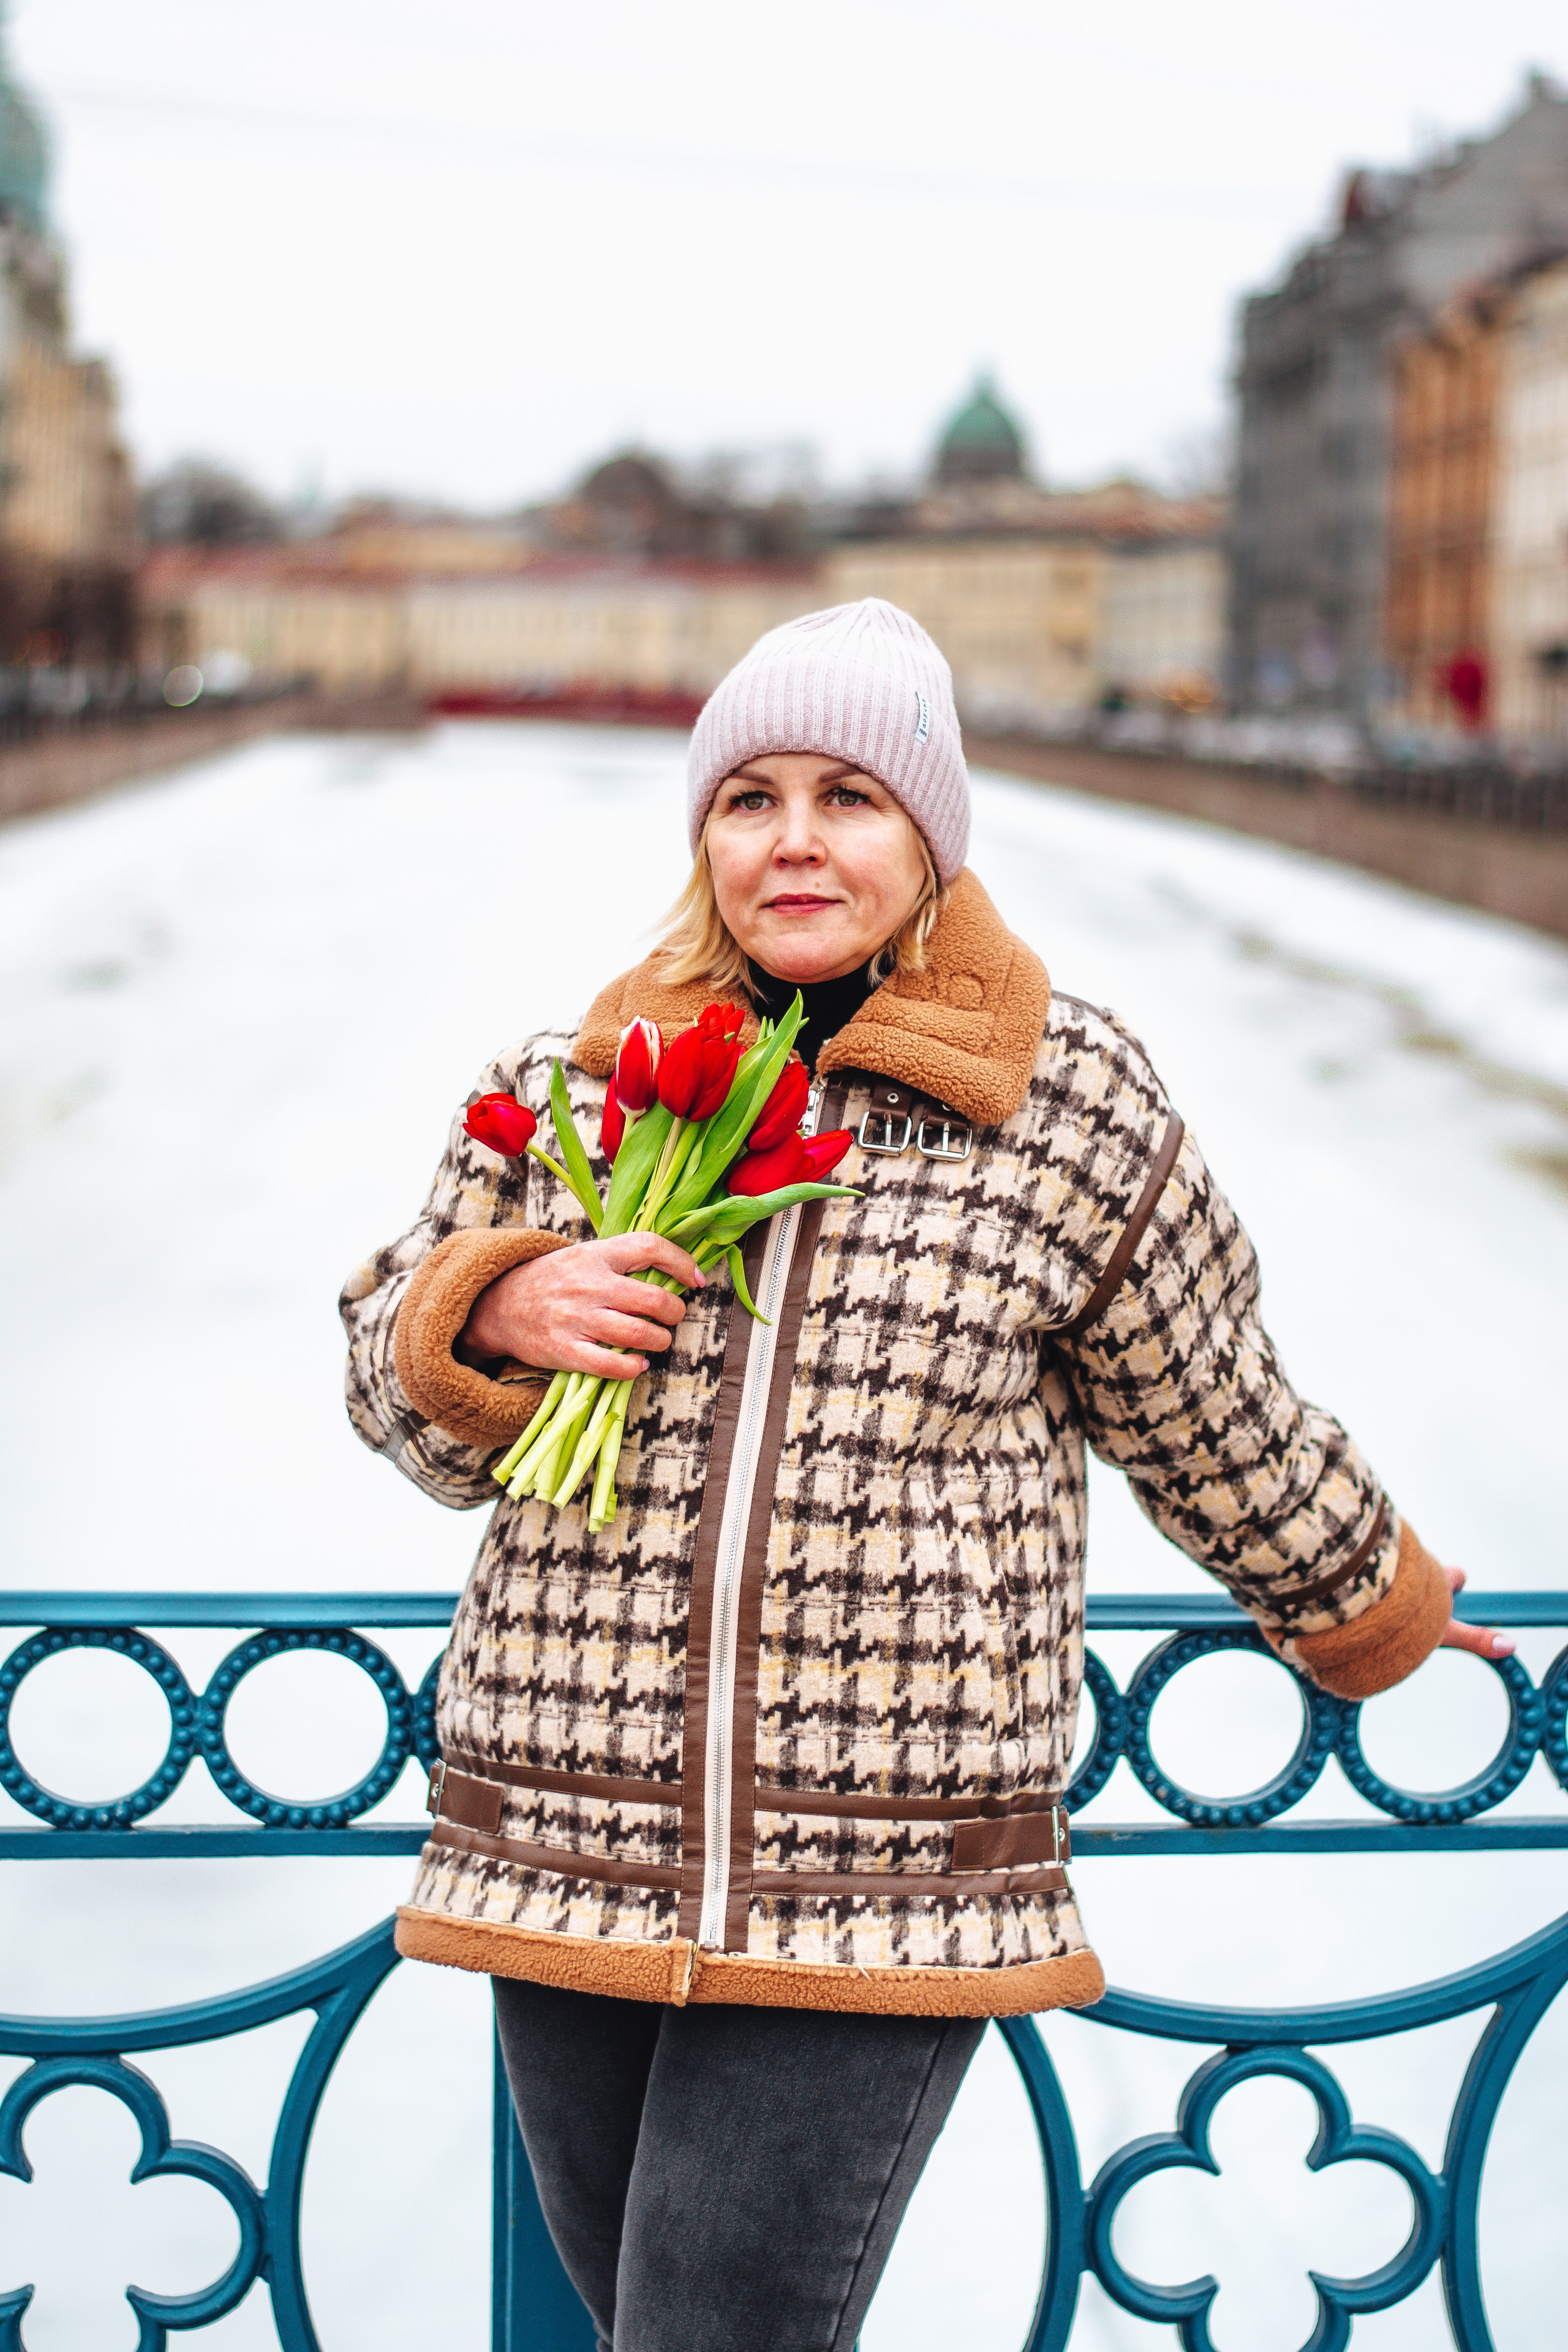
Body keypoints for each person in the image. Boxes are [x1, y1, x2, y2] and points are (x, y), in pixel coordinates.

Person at [341, 599, 1506, 2352]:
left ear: (930, 835)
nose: (794, 839)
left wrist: (1374, 1603)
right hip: (560, 1833)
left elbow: (1210, 1410)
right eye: (749, 797)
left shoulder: (1066, 1101)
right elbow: (396, 1402)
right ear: (703, 837)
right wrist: (487, 1307)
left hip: (878, 1863)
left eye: (850, 796)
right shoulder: (573, 1084)